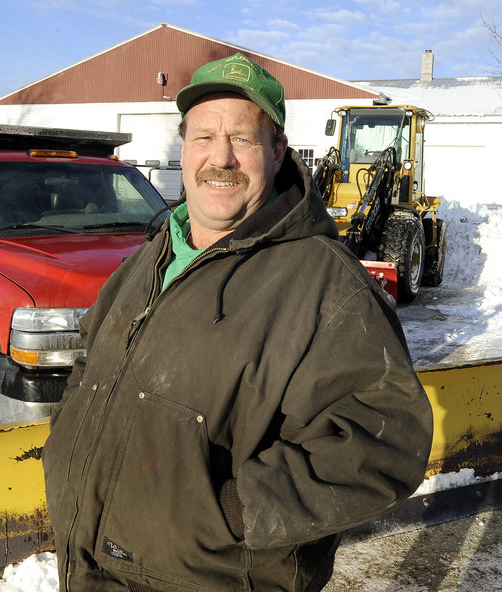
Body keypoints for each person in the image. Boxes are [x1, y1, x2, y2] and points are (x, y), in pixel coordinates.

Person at [41, 52, 433, 592]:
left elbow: (382, 441)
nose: (219, 157)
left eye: (243, 140)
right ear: (184, 148)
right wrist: (66, 444)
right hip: (87, 569)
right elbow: (91, 360)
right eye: (203, 137)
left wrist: (228, 512)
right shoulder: (151, 256)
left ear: (278, 154)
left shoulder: (326, 286)